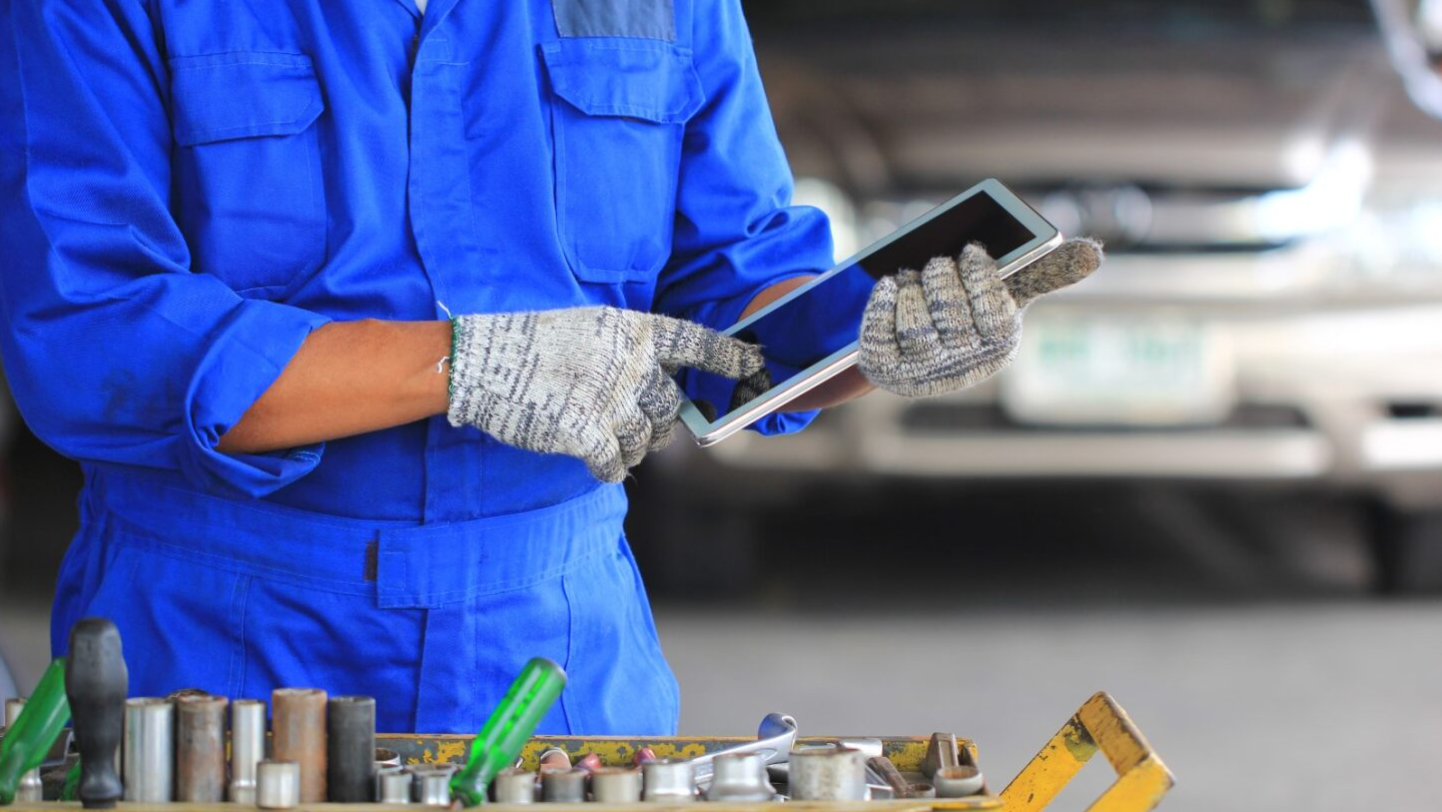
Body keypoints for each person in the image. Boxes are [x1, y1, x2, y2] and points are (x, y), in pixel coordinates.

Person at [0, 0, 1099, 734]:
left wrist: (870, 340)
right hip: (217, 644)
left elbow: (734, 292)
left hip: (557, 657)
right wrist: (464, 364)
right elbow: (88, 329)